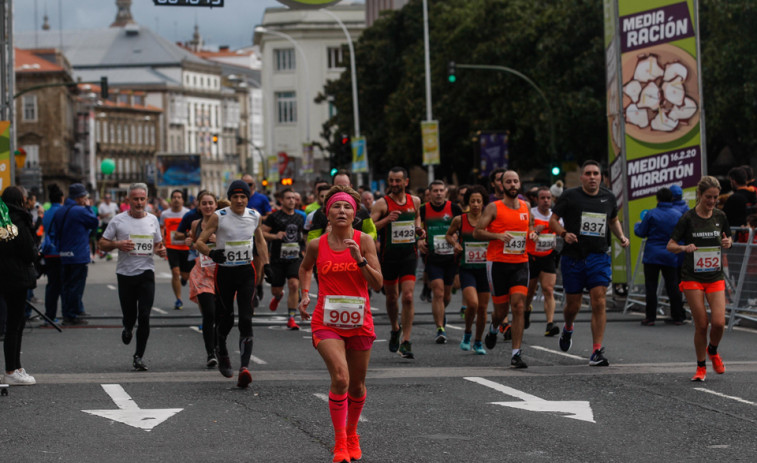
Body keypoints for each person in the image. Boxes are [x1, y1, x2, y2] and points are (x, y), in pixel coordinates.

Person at [297, 186, 382, 463]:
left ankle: (352, 433)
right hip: (327, 321)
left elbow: (378, 284)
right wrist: (305, 293)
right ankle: (340, 441)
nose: (342, 211)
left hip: (359, 321)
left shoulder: (365, 241)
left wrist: (359, 260)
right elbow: (306, 267)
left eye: (347, 208)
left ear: (354, 213)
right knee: (341, 378)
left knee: (357, 386)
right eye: (336, 207)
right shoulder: (316, 245)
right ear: (327, 214)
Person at [549, 160, 630, 367]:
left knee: (599, 300)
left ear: (601, 177)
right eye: (588, 173)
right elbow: (553, 220)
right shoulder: (570, 196)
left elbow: (612, 220)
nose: (592, 177)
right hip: (573, 257)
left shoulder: (608, 197)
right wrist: (563, 234)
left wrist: (621, 236)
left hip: (598, 256)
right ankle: (568, 327)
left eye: (596, 173)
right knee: (572, 305)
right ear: (582, 177)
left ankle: (596, 350)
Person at [195, 180, 269, 388]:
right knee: (226, 317)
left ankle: (244, 368)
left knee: (246, 317)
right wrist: (212, 252)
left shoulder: (254, 216)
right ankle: (221, 348)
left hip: (246, 271)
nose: (239, 200)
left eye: (243, 197)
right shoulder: (219, 216)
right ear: (230, 198)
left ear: (248, 198)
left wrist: (267, 263)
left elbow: (261, 241)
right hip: (224, 273)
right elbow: (199, 242)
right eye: (235, 196)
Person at [667, 176, 732, 382]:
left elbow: (727, 238)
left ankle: (713, 350)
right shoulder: (688, 218)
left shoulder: (720, 216)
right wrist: (684, 247)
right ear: (699, 195)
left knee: (719, 323)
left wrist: (727, 242)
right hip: (692, 276)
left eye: (715, 198)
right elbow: (671, 245)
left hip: (714, 276)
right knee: (702, 324)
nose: (712, 201)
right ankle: (701, 366)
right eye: (708, 197)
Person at [99, 183, 166, 371]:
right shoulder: (118, 221)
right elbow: (102, 243)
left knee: (144, 315)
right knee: (130, 315)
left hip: (146, 273)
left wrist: (161, 251)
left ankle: (138, 356)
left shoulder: (153, 220)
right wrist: (118, 244)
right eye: (135, 199)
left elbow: (158, 245)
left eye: (142, 199)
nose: (139, 202)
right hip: (125, 274)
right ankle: (127, 327)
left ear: (146, 200)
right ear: (128, 200)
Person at [474, 170, 533, 369]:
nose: (512, 185)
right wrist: (498, 236)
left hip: (520, 263)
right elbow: (477, 232)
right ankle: (493, 328)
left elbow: (529, 227)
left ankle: (516, 353)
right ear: (501, 186)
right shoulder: (493, 208)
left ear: (519, 183)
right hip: (497, 263)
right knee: (501, 311)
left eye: (515, 181)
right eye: (508, 182)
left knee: (518, 307)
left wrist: (532, 235)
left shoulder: (526, 206)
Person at [371, 167, 425, 359]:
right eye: (391, 181)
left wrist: (419, 230)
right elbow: (369, 228)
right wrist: (386, 220)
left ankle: (406, 340)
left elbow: (417, 217)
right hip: (389, 257)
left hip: (409, 255)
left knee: (408, 297)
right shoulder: (382, 204)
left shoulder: (415, 201)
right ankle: (395, 328)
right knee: (392, 298)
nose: (394, 184)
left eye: (398, 181)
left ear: (406, 182)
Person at [1, 186, 40, 385]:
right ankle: (12, 369)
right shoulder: (18, 220)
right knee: (15, 324)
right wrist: (36, 253)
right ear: (20, 201)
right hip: (16, 276)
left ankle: (14, 368)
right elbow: (27, 250)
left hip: (2, 274)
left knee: (10, 324)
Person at [446, 185, 489, 354]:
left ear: (484, 202)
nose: (476, 204)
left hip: (485, 269)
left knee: (483, 309)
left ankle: (478, 341)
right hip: (467, 268)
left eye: (479, 201)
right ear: (468, 202)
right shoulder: (460, 220)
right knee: (472, 303)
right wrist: (455, 243)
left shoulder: (489, 219)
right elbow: (449, 234)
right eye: (473, 201)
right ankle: (467, 333)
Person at [418, 180, 463, 343]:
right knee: (437, 291)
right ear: (429, 193)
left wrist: (458, 239)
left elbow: (463, 227)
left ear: (445, 192)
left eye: (440, 190)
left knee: (446, 295)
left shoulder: (454, 208)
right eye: (435, 191)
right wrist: (419, 240)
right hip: (433, 257)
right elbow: (415, 226)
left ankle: (441, 313)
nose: (438, 193)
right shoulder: (423, 209)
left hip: (451, 257)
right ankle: (440, 328)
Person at [634, 187, 685, 325]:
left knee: (651, 286)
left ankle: (650, 317)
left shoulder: (651, 214)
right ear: (672, 199)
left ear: (657, 199)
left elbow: (641, 232)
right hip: (670, 253)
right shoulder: (678, 214)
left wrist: (636, 226)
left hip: (652, 254)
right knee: (673, 285)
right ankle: (678, 316)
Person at [51, 183, 99, 325]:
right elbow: (94, 222)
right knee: (76, 286)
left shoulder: (60, 211)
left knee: (66, 286)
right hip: (78, 254)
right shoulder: (80, 210)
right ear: (79, 197)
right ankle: (73, 314)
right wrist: (89, 206)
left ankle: (70, 312)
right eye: (85, 197)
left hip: (64, 253)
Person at [260, 187, 305, 330]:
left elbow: (303, 235)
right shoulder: (274, 217)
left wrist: (304, 251)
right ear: (281, 200)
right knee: (276, 290)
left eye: (293, 198)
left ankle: (291, 317)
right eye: (288, 198)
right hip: (277, 259)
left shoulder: (300, 217)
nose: (292, 200)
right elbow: (261, 233)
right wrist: (275, 236)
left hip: (294, 257)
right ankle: (278, 297)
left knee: (294, 284)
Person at [187, 192, 221, 368]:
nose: (208, 206)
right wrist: (190, 242)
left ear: (216, 205)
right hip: (202, 272)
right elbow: (194, 243)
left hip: (221, 272)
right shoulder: (195, 224)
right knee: (209, 313)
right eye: (204, 203)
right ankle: (211, 353)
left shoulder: (223, 222)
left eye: (211, 203)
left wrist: (219, 240)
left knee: (221, 315)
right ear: (199, 206)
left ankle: (218, 346)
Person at [525, 186, 562, 337]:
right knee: (530, 291)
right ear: (537, 199)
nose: (546, 201)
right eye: (543, 198)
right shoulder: (531, 214)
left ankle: (550, 323)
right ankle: (526, 310)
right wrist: (535, 231)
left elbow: (561, 230)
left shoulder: (556, 216)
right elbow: (526, 231)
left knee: (548, 289)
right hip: (532, 256)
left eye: (549, 198)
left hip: (547, 256)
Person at [160, 190, 191, 310]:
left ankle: (185, 279)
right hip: (172, 247)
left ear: (183, 200)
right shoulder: (165, 214)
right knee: (175, 272)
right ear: (171, 200)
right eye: (174, 197)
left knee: (186, 275)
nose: (176, 199)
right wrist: (162, 239)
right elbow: (162, 228)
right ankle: (179, 299)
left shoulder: (187, 213)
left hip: (185, 247)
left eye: (179, 197)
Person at [41, 184, 64, 323]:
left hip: (49, 251)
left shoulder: (47, 212)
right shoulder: (62, 211)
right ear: (61, 198)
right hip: (61, 251)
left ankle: (49, 314)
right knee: (63, 285)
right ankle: (67, 313)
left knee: (51, 285)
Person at [97, 194, 119, 260]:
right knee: (105, 238)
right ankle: (104, 251)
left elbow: (118, 212)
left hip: (113, 223)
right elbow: (99, 215)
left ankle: (109, 253)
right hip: (105, 223)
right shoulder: (101, 205)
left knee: (112, 239)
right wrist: (105, 215)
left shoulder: (114, 205)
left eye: (109, 198)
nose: (107, 199)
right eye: (106, 198)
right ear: (104, 199)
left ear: (110, 199)